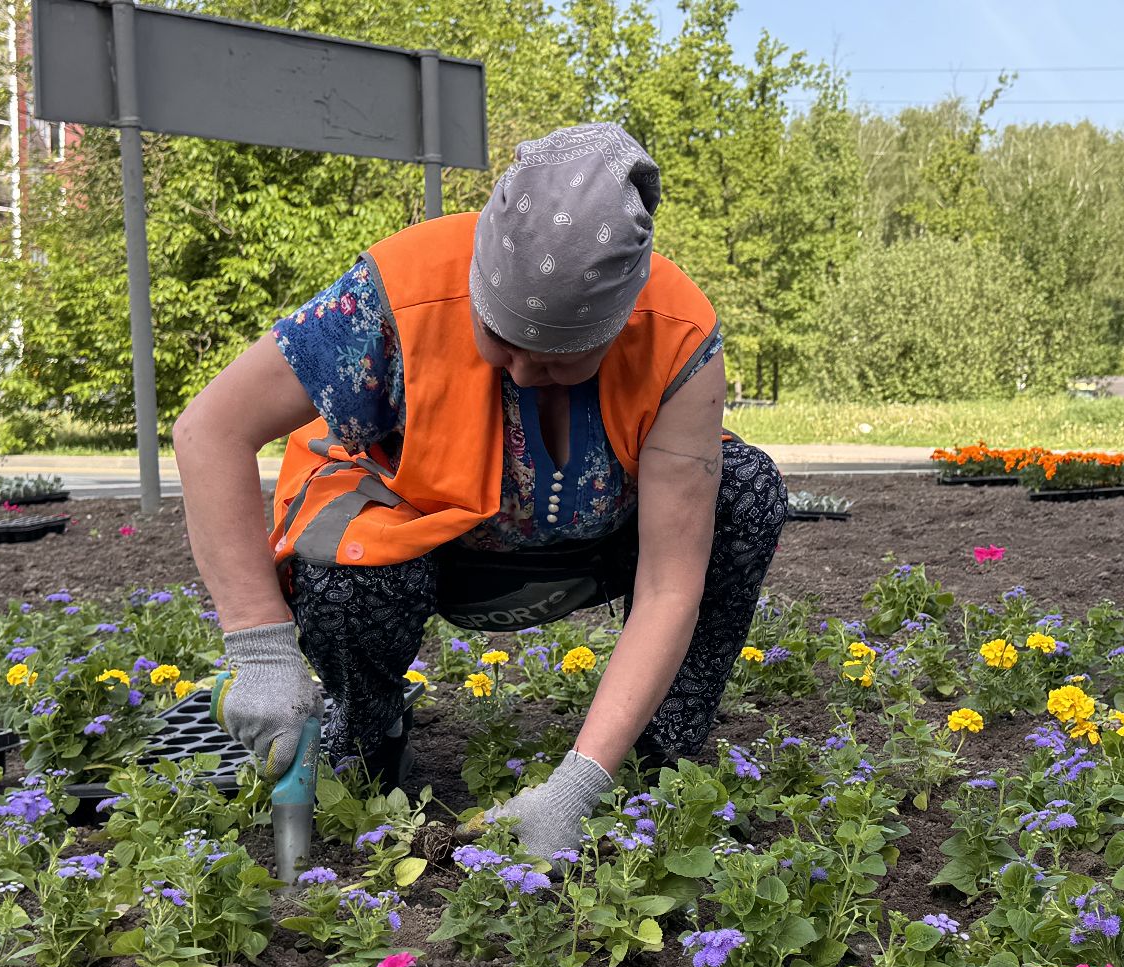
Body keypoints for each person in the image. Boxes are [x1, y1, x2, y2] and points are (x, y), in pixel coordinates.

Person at [174, 123, 787, 858]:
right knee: (343, 574)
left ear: (621, 323)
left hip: (597, 543)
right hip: (422, 542)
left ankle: (654, 755)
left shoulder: (679, 336)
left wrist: (575, 787)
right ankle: (365, 736)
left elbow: (667, 587)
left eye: (563, 360)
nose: (526, 375)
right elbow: (209, 430)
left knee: (746, 494)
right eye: (502, 340)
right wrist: (260, 649)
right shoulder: (397, 291)